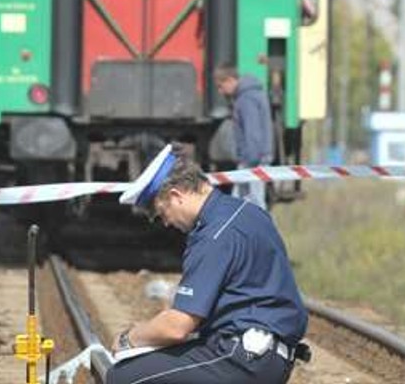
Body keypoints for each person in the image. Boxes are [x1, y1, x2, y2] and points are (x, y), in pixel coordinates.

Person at [110, 152, 308, 384]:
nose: (166, 223)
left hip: (242, 359)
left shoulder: (212, 236)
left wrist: (129, 337)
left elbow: (176, 328)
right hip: (268, 355)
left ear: (176, 196)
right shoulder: (247, 212)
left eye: (161, 213)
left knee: (123, 376)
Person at [214, 64, 273, 210]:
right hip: (254, 159)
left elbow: (252, 133)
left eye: (221, 86)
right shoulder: (251, 95)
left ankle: (261, 232)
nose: (220, 91)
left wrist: (248, 162)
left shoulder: (246, 99)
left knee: (254, 203)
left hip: (252, 160)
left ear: (230, 80)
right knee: (244, 203)